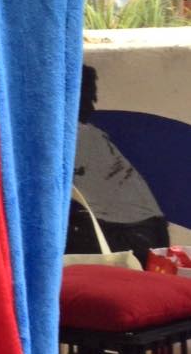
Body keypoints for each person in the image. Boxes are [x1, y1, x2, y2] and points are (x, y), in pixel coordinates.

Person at [67, 64, 169, 265]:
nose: (92, 107)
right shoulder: (83, 134)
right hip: (141, 232)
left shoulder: (78, 136)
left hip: (133, 234)